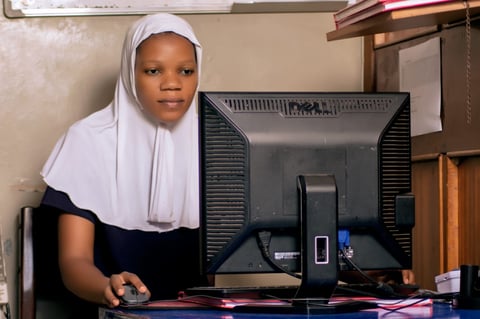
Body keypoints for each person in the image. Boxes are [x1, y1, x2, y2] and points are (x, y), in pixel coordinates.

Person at [40, 13, 206, 313]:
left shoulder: (213, 140)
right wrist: (107, 287)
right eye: (154, 71)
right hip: (108, 312)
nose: (172, 84)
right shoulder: (87, 141)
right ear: (130, 73)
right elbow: (73, 262)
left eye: (185, 71)